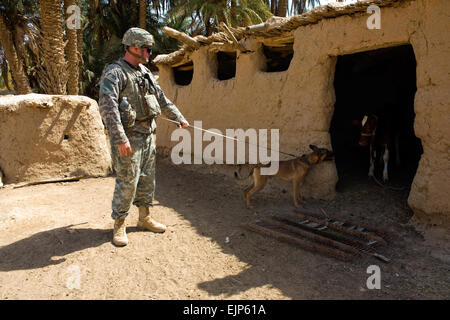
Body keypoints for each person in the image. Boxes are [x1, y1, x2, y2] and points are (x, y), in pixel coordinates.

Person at [98, 27, 189, 246]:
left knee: (147, 179)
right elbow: (108, 107)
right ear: (134, 47)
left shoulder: (145, 72)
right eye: (147, 49)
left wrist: (179, 117)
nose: (150, 53)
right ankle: (119, 224)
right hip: (129, 137)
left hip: (148, 134)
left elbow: (162, 98)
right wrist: (119, 138)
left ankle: (144, 218)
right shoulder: (115, 72)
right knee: (127, 181)